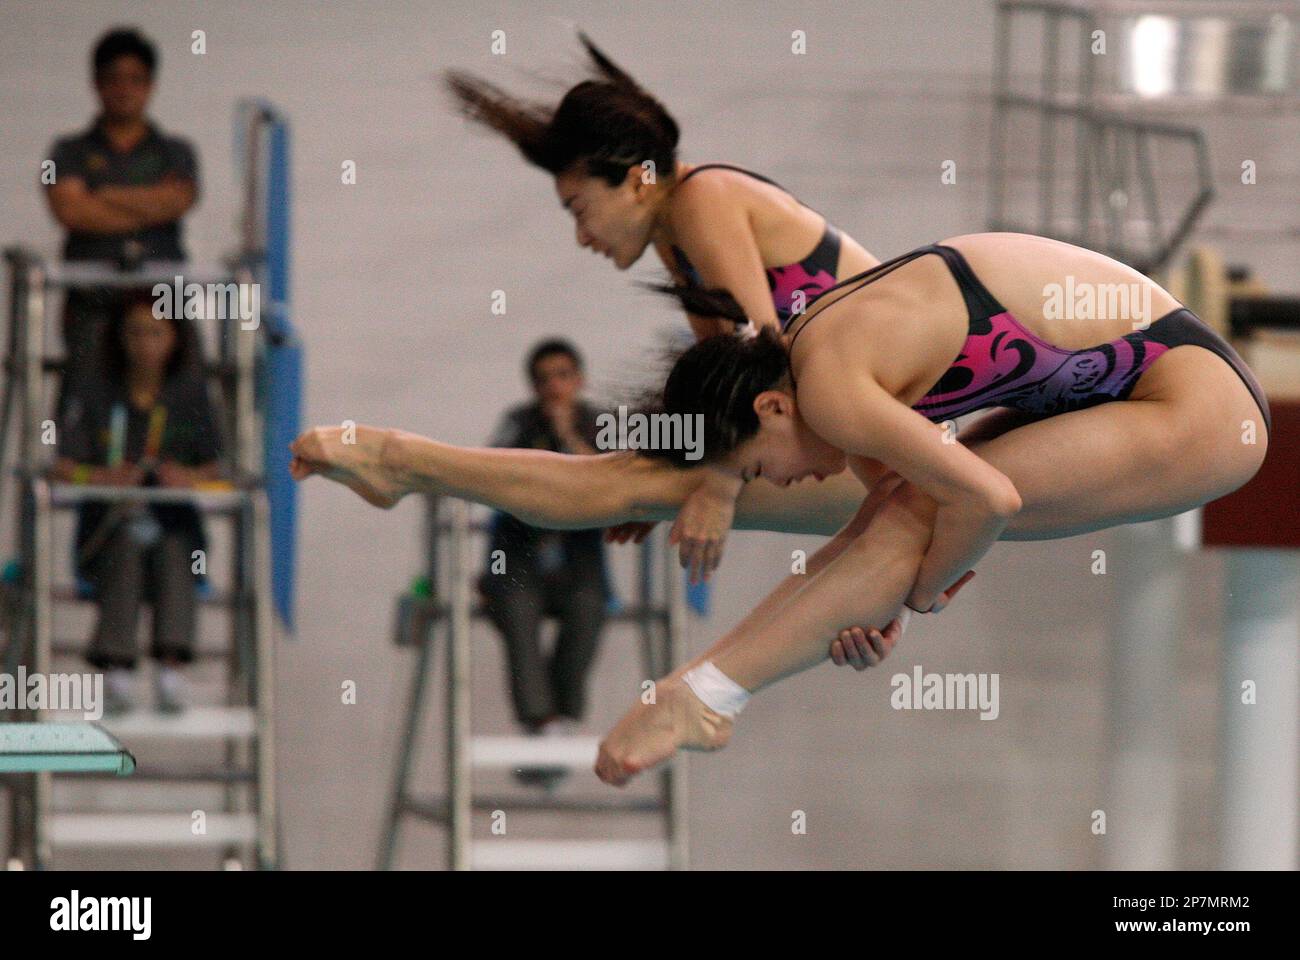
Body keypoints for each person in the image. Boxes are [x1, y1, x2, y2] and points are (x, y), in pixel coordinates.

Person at [288, 232, 1270, 783]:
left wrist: (910, 597)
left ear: (770, 405)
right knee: (667, 481)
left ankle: (701, 697)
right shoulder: (812, 370)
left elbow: (985, 497)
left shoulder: (832, 386)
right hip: (1077, 387)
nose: (787, 480)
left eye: (762, 459)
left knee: (919, 519)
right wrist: (865, 596)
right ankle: (407, 462)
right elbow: (893, 510)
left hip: (1196, 405)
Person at [448, 33, 890, 579]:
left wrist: (717, 486)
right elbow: (720, 388)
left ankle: (402, 463)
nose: (583, 237)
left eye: (579, 209)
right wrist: (664, 479)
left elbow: (762, 356)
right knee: (636, 477)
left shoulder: (705, 200)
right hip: (859, 416)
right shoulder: (675, 234)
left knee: (630, 483)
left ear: (637, 182)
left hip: (905, 414)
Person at [51, 291, 224, 715]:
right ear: (119, 339)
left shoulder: (191, 397)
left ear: (175, 340)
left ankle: (171, 669)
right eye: (134, 333)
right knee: (125, 549)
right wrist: (101, 477)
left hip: (173, 525)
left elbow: (218, 468)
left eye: (155, 333)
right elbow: (59, 465)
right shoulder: (94, 393)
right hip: (109, 525)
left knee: (174, 551)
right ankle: (117, 670)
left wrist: (188, 479)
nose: (144, 344)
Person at [43, 27, 200, 406]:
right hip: (92, 301)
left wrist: (106, 196)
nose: (125, 89)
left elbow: (178, 200)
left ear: (150, 85)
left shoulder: (176, 151)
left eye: (136, 80)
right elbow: (70, 210)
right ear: (96, 84)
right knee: (83, 394)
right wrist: (148, 205)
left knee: (186, 390)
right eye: (114, 79)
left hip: (165, 299)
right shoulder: (67, 152)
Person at [479, 340, 610, 784]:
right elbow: (495, 472)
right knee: (515, 611)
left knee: (590, 608)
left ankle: (563, 714)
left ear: (579, 379)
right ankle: (540, 722)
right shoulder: (518, 422)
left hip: (578, 558)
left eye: (563, 375)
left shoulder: (599, 424)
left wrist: (570, 437)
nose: (555, 386)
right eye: (545, 378)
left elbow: (611, 480)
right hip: (519, 556)